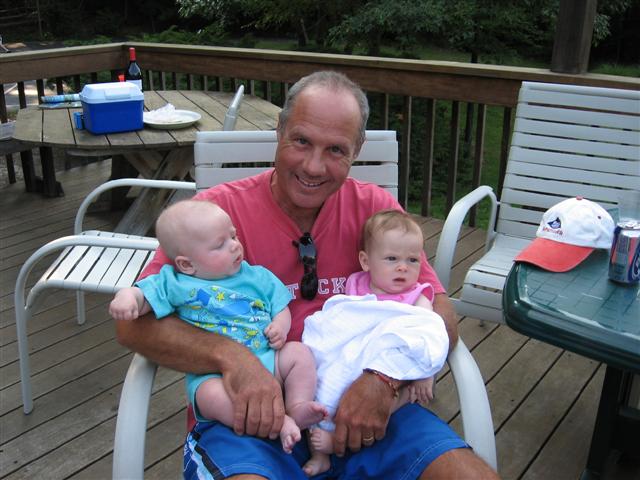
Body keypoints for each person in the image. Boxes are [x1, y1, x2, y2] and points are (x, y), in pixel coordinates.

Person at [116, 70, 499, 479]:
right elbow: (134, 325)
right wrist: (233, 358)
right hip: (247, 416)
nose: (314, 166)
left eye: (335, 150)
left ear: (357, 150)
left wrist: (384, 380)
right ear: (279, 131)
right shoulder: (214, 218)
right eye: (301, 141)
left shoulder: (376, 212)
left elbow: (439, 312)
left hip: (369, 410)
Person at [109, 200, 327, 453]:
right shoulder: (176, 283)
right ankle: (278, 423)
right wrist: (127, 298)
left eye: (233, 236)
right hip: (217, 375)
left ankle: (297, 406)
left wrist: (280, 326)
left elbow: (279, 305)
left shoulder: (256, 275)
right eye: (220, 244)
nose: (234, 245)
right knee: (208, 396)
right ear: (187, 264)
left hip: (270, 356)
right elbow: (143, 295)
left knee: (299, 354)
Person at [301, 209, 450, 475]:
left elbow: (428, 336)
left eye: (413, 260)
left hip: (392, 372)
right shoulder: (356, 284)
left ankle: (336, 441)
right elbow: (344, 321)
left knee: (398, 399)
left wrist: (425, 374)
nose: (403, 267)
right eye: (392, 259)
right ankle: (320, 455)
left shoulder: (418, 297)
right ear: (366, 261)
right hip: (354, 358)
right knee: (325, 383)